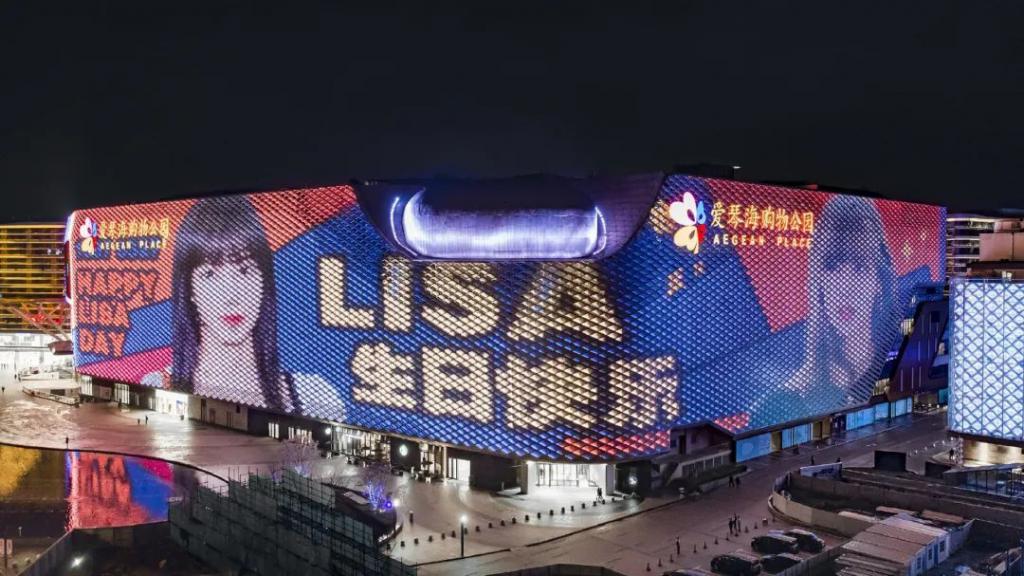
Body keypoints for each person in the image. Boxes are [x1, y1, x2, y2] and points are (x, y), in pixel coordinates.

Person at [146, 196, 344, 419]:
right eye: (209, 274)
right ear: (189, 289)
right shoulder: (158, 385)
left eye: (244, 270)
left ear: (264, 281)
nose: (231, 296)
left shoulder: (315, 397)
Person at [749, 197, 897, 428]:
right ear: (819, 279)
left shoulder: (893, 355)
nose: (844, 288)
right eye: (832, 266)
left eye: (859, 267)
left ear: (878, 281)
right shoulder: (784, 403)